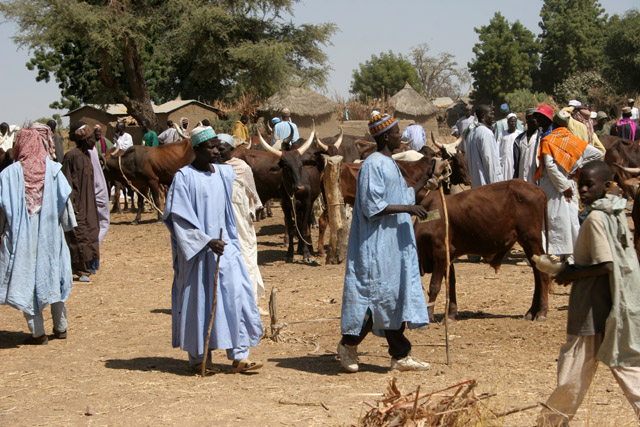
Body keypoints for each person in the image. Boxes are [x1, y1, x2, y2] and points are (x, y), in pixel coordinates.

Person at [537, 161, 640, 425]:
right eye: (580, 183)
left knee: (572, 373)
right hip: (613, 302)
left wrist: (569, 274)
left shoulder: (595, 218)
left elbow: (606, 264)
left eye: (589, 184)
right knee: (627, 367)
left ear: (607, 186)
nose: (582, 190)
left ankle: (551, 423)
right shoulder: (614, 211)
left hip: (591, 307)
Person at [163, 125, 263, 374]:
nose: (217, 150)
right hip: (198, 252)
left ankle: (240, 356)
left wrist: (224, 242)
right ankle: (199, 359)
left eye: (218, 145)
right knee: (200, 300)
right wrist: (206, 241)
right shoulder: (183, 177)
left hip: (226, 245)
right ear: (197, 149)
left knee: (235, 295)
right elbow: (179, 217)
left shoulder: (222, 174)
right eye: (211, 147)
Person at [337, 113, 432, 373]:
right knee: (375, 297)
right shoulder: (372, 165)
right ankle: (348, 345)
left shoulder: (390, 164)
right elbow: (371, 206)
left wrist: (427, 178)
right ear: (384, 136)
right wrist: (408, 208)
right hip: (376, 245)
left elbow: (403, 195)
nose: (400, 135)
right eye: (395, 132)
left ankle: (400, 355)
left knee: (393, 298)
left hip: (395, 244)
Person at [0, 127, 76, 344]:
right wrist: (65, 230)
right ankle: (61, 327)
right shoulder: (54, 170)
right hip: (51, 237)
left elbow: (2, 210)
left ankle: (37, 332)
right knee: (55, 277)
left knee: (28, 280)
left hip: (20, 238)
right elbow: (65, 209)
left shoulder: (8, 175)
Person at [533, 108, 602, 260]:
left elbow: (550, 166)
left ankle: (558, 254)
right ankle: (570, 255)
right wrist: (577, 169)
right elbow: (599, 153)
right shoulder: (576, 142)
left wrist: (563, 187)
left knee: (554, 219)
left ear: (555, 123)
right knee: (570, 219)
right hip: (569, 181)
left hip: (552, 185)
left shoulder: (548, 140)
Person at [216, 134, 265, 308]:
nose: (217, 152)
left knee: (246, 253)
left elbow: (252, 196)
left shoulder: (242, 168)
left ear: (231, 150)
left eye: (221, 149)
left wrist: (251, 212)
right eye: (215, 148)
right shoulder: (211, 169)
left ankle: (250, 301)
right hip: (219, 223)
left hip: (241, 220)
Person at [63, 122, 100, 283]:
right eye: (92, 138)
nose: (95, 141)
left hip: (88, 204)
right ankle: (81, 270)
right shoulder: (71, 156)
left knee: (90, 231)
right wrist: (72, 205)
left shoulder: (87, 156)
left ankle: (88, 266)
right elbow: (66, 182)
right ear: (85, 140)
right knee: (79, 235)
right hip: (77, 205)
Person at [85, 136, 111, 275]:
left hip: (89, 193)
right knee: (102, 224)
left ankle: (91, 262)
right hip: (97, 192)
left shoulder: (79, 154)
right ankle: (91, 261)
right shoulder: (91, 151)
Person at [464, 104, 503, 188]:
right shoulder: (486, 133)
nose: (493, 116)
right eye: (491, 114)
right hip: (487, 187)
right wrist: (496, 186)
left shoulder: (471, 133)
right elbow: (490, 161)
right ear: (483, 115)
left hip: (476, 186)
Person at [513, 108, 540, 182]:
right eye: (534, 117)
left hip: (536, 182)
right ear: (527, 119)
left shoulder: (541, 138)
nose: (537, 120)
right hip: (521, 181)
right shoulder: (519, 140)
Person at [497, 113, 521, 180]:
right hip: (503, 160)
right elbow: (498, 147)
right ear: (507, 122)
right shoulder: (502, 134)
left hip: (513, 161)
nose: (513, 123)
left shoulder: (519, 134)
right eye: (511, 121)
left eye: (514, 121)